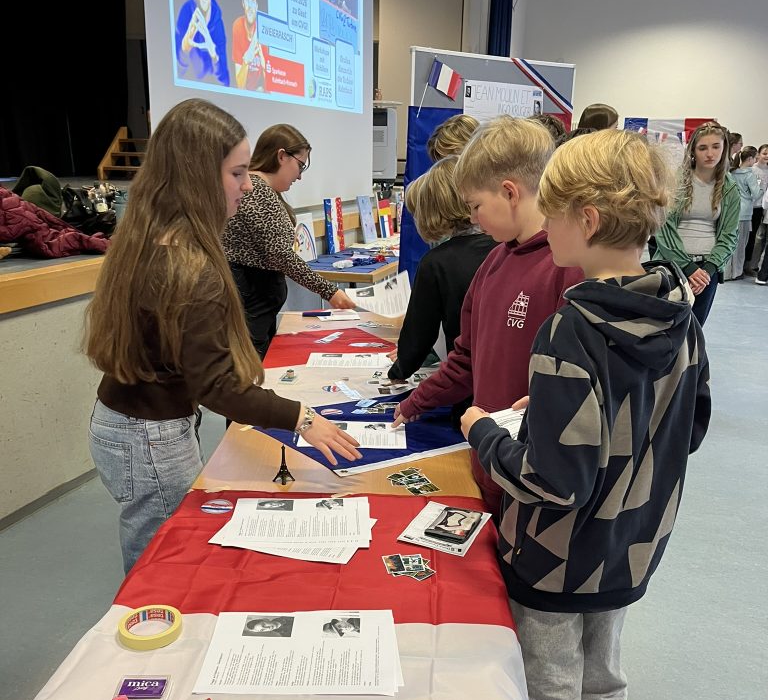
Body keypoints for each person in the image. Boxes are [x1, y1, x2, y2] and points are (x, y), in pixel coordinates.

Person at [460, 130, 710, 700]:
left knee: (550, 694)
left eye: (556, 207)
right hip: (629, 548)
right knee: (604, 680)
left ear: (589, 220)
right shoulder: (678, 313)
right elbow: (688, 427)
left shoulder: (571, 327)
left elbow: (551, 481)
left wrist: (484, 435)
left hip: (555, 558)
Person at [85, 99, 360, 574]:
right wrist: (302, 418)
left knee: (154, 539)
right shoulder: (190, 268)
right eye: (237, 174)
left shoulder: (148, 235)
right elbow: (217, 387)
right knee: (162, 557)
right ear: (198, 176)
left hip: (123, 420)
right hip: (150, 434)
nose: (248, 185)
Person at [393, 117, 583, 517]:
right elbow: (467, 355)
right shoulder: (494, 262)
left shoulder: (566, 265)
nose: (474, 219)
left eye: (476, 206)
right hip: (488, 459)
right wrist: (416, 402)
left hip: (533, 477)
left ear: (510, 192)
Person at [222, 124, 356, 359]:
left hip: (257, 306)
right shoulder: (257, 191)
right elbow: (280, 255)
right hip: (250, 304)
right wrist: (330, 292)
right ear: (281, 156)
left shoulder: (265, 191)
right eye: (300, 165)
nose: (300, 175)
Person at [387, 157, 496, 415]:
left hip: (463, 384)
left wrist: (399, 370)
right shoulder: (504, 248)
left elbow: (419, 332)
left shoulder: (437, 262)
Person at [652, 121, 739, 324]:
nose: (710, 153)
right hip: (672, 264)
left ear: (724, 148)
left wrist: (707, 270)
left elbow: (729, 235)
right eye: (703, 148)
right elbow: (664, 227)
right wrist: (688, 268)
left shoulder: (730, 189)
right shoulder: (677, 181)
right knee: (665, 326)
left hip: (707, 269)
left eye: (716, 146)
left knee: (695, 328)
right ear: (693, 151)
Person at [175, 0, 229, 86]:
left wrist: (214, 55)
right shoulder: (185, 13)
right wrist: (184, 50)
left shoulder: (218, 23)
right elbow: (177, 73)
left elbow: (225, 81)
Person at [726, 146, 761, 280]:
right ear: (750, 159)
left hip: (732, 210)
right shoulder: (750, 174)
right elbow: (756, 193)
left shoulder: (732, 172)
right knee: (741, 245)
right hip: (745, 212)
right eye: (755, 158)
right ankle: (737, 272)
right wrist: (763, 188)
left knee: (730, 243)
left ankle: (728, 272)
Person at [232, 0, 269, 92]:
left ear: (257, 6)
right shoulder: (237, 26)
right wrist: (246, 62)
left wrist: (264, 68)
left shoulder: (263, 30)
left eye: (252, 0)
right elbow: (240, 86)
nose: (250, 5)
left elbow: (271, 88)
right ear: (242, 3)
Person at [744, 143, 768, 274]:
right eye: (764, 153)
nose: (767, 156)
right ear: (758, 155)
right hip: (750, 207)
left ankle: (750, 264)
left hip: (761, 209)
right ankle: (742, 265)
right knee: (748, 237)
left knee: (756, 238)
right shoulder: (752, 170)